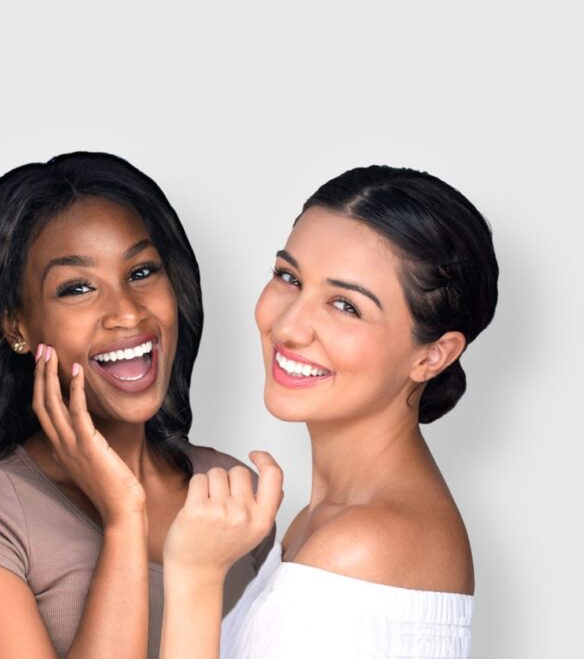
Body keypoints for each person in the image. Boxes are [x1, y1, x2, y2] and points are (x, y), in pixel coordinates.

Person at [0, 151, 281, 659]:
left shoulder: (231, 495)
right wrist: (124, 519)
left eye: (143, 271)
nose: (127, 312)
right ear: (16, 327)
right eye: (77, 288)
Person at [160, 165, 498, 658]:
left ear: (433, 355)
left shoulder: (362, 547)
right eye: (289, 277)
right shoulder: (322, 522)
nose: (290, 326)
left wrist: (194, 576)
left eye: (345, 305)